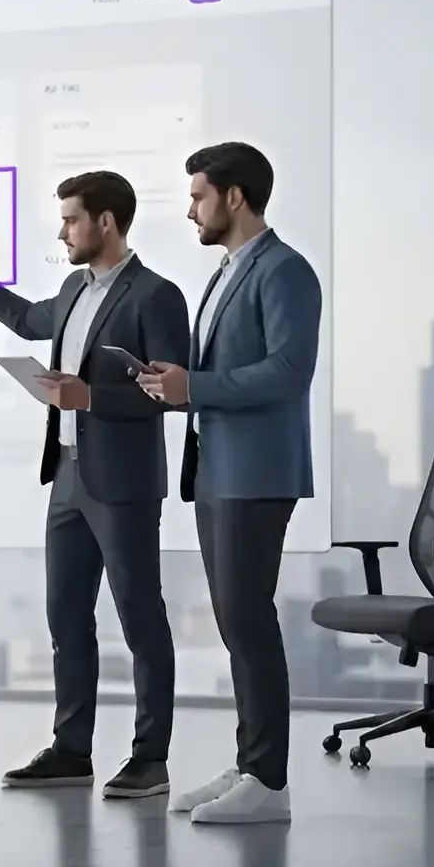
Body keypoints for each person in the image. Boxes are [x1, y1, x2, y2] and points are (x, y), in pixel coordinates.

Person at [0, 171, 189, 799]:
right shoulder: (75, 287)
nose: (63, 230)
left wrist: (90, 396)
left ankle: (150, 760)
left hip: (124, 481)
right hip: (69, 473)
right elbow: (28, 320)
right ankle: (72, 749)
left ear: (106, 221)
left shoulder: (157, 296)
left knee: (140, 618)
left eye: (72, 219)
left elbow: (170, 396)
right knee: (66, 617)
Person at [138, 142, 321, 824]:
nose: (191, 211)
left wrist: (200, 386)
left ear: (234, 197)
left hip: (257, 472)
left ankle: (269, 781)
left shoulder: (286, 271)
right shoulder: (223, 274)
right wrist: (174, 386)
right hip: (217, 469)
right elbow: (219, 371)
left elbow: (287, 371)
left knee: (248, 618)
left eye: (198, 197)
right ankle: (251, 765)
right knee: (234, 621)